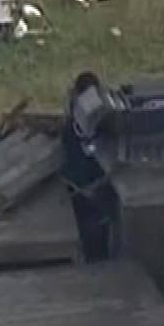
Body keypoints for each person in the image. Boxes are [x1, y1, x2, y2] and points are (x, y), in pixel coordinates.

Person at [61, 72, 119, 261]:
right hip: (87, 184)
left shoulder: (73, 105)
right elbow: (103, 122)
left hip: (79, 178)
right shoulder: (89, 105)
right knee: (96, 224)